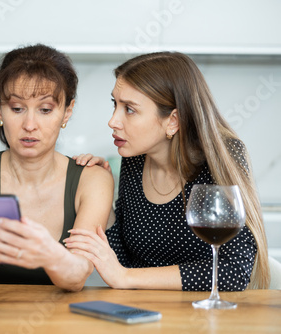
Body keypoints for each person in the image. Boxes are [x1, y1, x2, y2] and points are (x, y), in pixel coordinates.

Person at [65, 51, 270, 291]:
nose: (113, 121)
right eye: (115, 104)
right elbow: (123, 261)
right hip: (142, 314)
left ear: (173, 121)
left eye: (129, 109)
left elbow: (233, 272)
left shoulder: (222, 157)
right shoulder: (135, 159)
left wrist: (126, 278)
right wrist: (102, 191)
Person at [0, 44, 114, 291]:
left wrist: (48, 253)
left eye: (45, 110)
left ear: (67, 112)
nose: (30, 124)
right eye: (17, 108)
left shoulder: (93, 179)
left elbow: (76, 277)